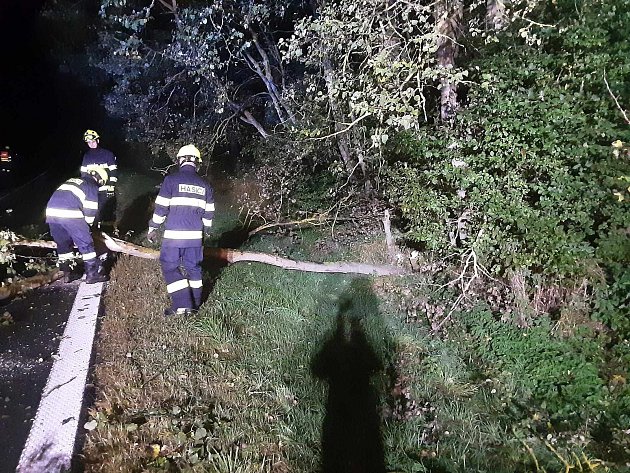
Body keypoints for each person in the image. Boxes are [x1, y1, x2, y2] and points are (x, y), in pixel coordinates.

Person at [147, 144, 215, 316]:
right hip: (195, 237)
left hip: (174, 238)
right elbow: (209, 213)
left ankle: (183, 305)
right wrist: (206, 230)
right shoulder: (205, 185)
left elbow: (161, 207)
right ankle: (195, 304)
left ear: (180, 160)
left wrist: (154, 227)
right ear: (197, 162)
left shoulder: (171, 180)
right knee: (193, 268)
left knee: (170, 267)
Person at [45, 165, 110, 284]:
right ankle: (92, 275)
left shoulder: (74, 180)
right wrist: (88, 228)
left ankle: (68, 274)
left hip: (51, 213)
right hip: (70, 213)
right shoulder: (91, 185)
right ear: (99, 178)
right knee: (86, 243)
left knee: (63, 244)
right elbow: (90, 211)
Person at [80, 129, 118, 230]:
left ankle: (107, 232)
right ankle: (94, 231)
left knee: (106, 212)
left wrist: (111, 185)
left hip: (105, 190)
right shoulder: (86, 156)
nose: (91, 144)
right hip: (92, 190)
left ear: (97, 141)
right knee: (93, 212)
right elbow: (83, 173)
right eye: (88, 142)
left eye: (93, 141)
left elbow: (113, 171)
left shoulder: (107, 154)